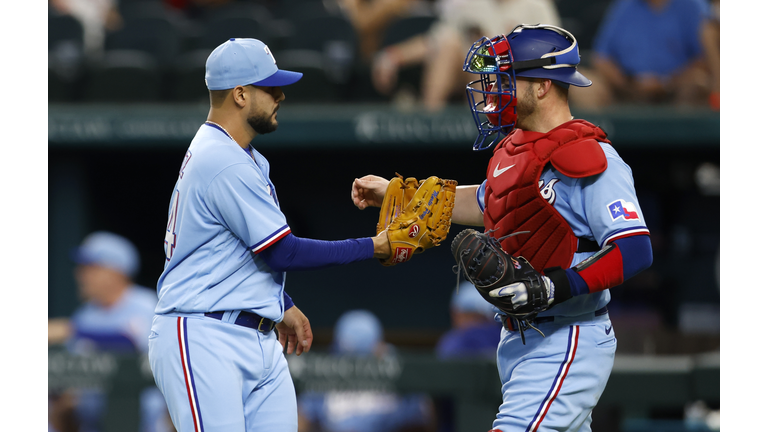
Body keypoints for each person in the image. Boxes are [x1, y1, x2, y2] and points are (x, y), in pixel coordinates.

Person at [352, 24, 653, 431]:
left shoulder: (592, 156)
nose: (496, 89)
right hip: (516, 340)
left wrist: (552, 286)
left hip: (568, 335)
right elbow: (489, 201)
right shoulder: (516, 149)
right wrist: (398, 192)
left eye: (509, 78)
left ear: (544, 85)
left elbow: (635, 250)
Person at [147, 37, 392, 432]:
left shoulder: (243, 156)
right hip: (203, 333)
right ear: (240, 94)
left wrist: (281, 303)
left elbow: (238, 251)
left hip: (256, 334)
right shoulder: (222, 159)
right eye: (270, 87)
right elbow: (284, 252)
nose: (280, 95)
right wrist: (374, 246)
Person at [47, 231, 172, 432]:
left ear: (115, 271)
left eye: (90, 268)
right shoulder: (86, 314)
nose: (80, 275)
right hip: (91, 422)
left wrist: (71, 331)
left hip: (140, 421)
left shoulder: (146, 304)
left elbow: (130, 345)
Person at [372, 0, 560, 111]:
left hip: (517, 78)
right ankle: (429, 122)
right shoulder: (471, 4)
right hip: (469, 75)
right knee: (451, 46)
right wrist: (391, 57)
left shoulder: (536, 5)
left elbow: (555, 50)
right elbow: (436, 40)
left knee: (484, 53)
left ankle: (490, 126)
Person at [298, 310, 434, 432]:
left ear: (379, 348)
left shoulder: (396, 367)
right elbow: (303, 415)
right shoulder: (328, 370)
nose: (355, 365)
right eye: (348, 358)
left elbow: (423, 416)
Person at [570, 0, 712, 109]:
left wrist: (666, 83)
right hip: (627, 89)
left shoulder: (692, 5)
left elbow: (706, 59)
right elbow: (601, 58)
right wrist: (628, 84)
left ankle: (685, 144)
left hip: (676, 89)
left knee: (698, 82)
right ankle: (600, 143)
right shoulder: (625, 5)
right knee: (581, 84)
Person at [435, 281, 500, 360]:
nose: (476, 325)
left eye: (482, 319)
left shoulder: (501, 337)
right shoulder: (452, 342)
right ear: (455, 314)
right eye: (471, 316)